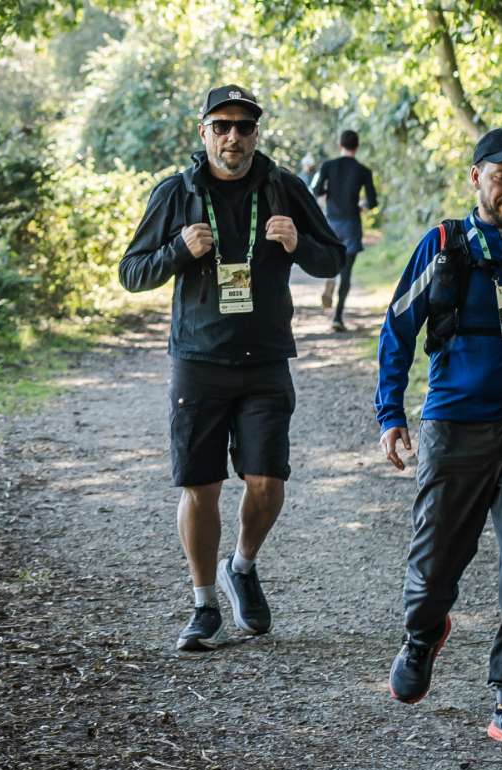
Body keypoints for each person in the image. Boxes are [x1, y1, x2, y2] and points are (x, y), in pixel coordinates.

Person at [376, 126, 502, 749]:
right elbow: (398, 328)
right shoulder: (444, 245)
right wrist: (391, 412)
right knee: (435, 558)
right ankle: (423, 632)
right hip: (453, 422)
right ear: (476, 178)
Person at [119, 85, 346, 651]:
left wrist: (299, 244)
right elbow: (131, 272)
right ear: (204, 133)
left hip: (265, 358)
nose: (233, 137)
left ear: (256, 134)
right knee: (201, 487)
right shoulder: (176, 193)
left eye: (244, 127)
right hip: (198, 361)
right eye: (221, 126)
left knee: (267, 483)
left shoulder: (284, 188)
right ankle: (204, 606)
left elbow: (333, 258)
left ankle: (241, 567)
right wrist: (177, 251)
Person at [313, 129, 379, 332]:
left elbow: (316, 190)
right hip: (351, 225)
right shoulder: (363, 171)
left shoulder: (328, 166)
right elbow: (372, 201)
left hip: (331, 224)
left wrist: (329, 193)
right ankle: (337, 317)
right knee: (347, 272)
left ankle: (330, 277)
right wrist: (361, 206)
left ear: (340, 145)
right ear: (357, 146)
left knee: (334, 260)